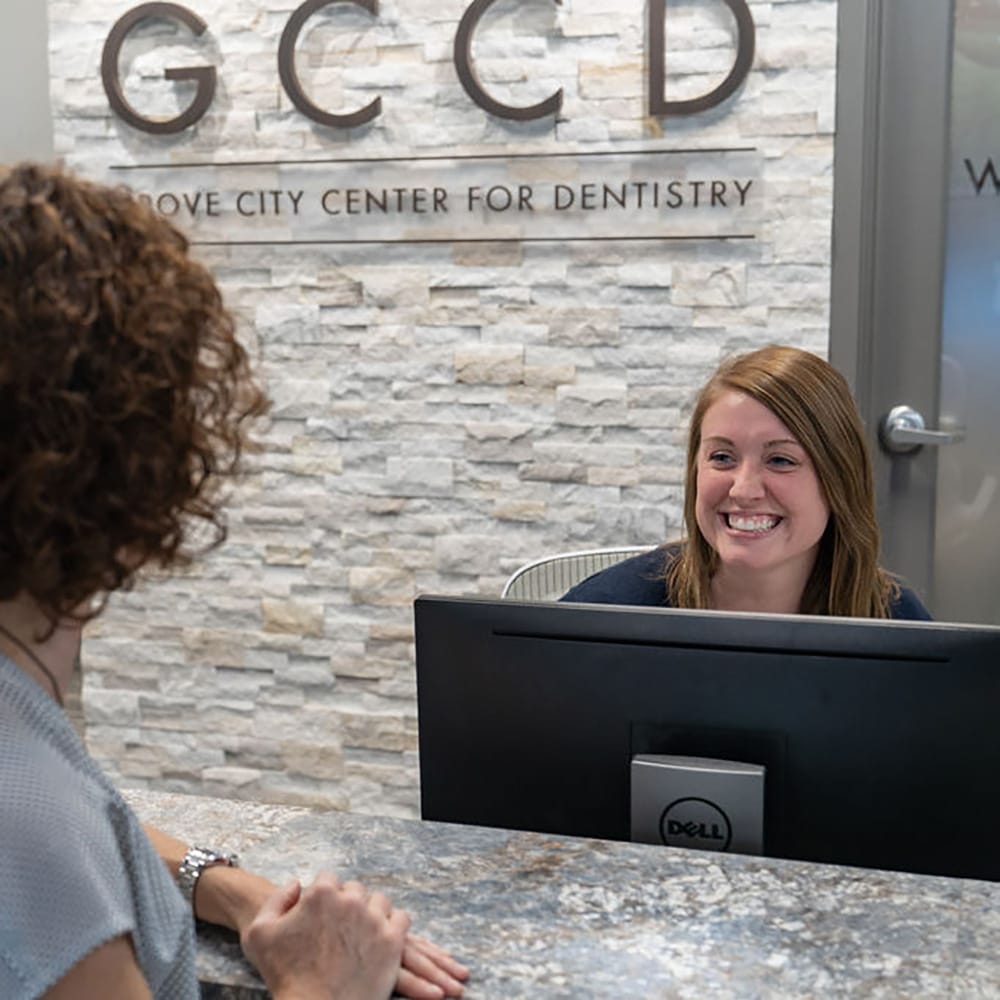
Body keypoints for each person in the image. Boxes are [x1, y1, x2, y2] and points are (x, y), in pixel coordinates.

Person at [0, 163, 468, 1000]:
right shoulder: (28, 814)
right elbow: (37, 840)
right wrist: (322, 983)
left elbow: (75, 838)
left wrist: (232, 888)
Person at [561, 345, 931, 619]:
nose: (743, 489)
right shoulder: (604, 615)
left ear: (838, 480)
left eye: (780, 460)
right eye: (722, 457)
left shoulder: (898, 624)